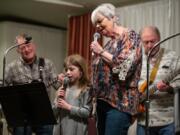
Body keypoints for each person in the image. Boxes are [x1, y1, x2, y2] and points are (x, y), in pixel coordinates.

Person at [90, 3, 142, 135]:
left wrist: (101, 52)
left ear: (113, 17)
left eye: (100, 21)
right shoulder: (108, 44)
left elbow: (125, 68)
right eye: (95, 24)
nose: (97, 26)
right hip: (102, 104)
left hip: (119, 105)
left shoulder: (130, 36)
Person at [5, 33, 61, 135]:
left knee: (48, 126)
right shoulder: (11, 67)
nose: (27, 49)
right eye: (22, 48)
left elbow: (58, 86)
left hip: (43, 111)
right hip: (22, 114)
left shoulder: (47, 63)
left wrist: (63, 80)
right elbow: (3, 89)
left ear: (34, 46)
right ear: (18, 50)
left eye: (28, 45)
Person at [137, 26, 180, 135]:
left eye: (153, 41)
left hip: (166, 122)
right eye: (146, 42)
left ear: (159, 38)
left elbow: (179, 81)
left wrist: (170, 88)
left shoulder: (172, 56)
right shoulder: (137, 59)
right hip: (143, 120)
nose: (150, 45)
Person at [53, 54, 92, 135]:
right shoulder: (63, 87)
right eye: (66, 69)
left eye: (71, 69)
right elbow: (54, 113)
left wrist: (68, 107)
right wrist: (57, 100)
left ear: (81, 72)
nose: (67, 72)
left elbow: (87, 112)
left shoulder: (86, 90)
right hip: (61, 129)